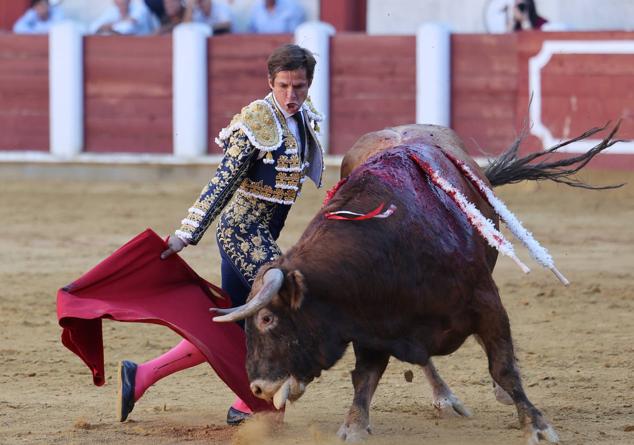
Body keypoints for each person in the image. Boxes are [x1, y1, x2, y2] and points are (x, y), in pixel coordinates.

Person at [117, 43, 324, 426]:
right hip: (241, 232)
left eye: (299, 86)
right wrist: (185, 234)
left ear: (309, 84)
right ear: (269, 82)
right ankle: (250, 400)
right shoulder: (255, 123)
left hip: (263, 230)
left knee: (232, 318)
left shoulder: (304, 115)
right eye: (283, 86)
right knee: (282, 297)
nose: (291, 95)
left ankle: (142, 375)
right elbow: (222, 184)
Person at [89, 0, 157, 35]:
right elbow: (93, 27)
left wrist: (108, 27)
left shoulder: (140, 8)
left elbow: (126, 28)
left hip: (144, 48)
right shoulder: (113, 10)